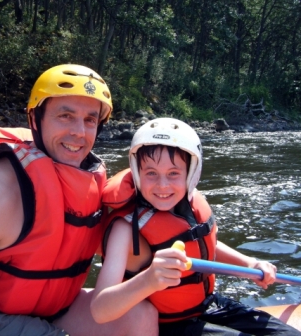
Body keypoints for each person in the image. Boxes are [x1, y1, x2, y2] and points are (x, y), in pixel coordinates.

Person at [0, 64, 157, 336]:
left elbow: (121, 254)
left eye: (90, 119)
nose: (79, 132)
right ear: (35, 120)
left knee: (141, 316)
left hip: (52, 307)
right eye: (65, 115)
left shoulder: (88, 184)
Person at [91, 117, 301, 335]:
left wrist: (251, 263)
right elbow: (100, 310)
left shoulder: (188, 204)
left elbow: (203, 245)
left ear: (191, 174)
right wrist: (148, 279)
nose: (163, 185)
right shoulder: (125, 229)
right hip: (169, 326)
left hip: (208, 304)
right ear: (137, 172)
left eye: (174, 173)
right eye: (151, 173)